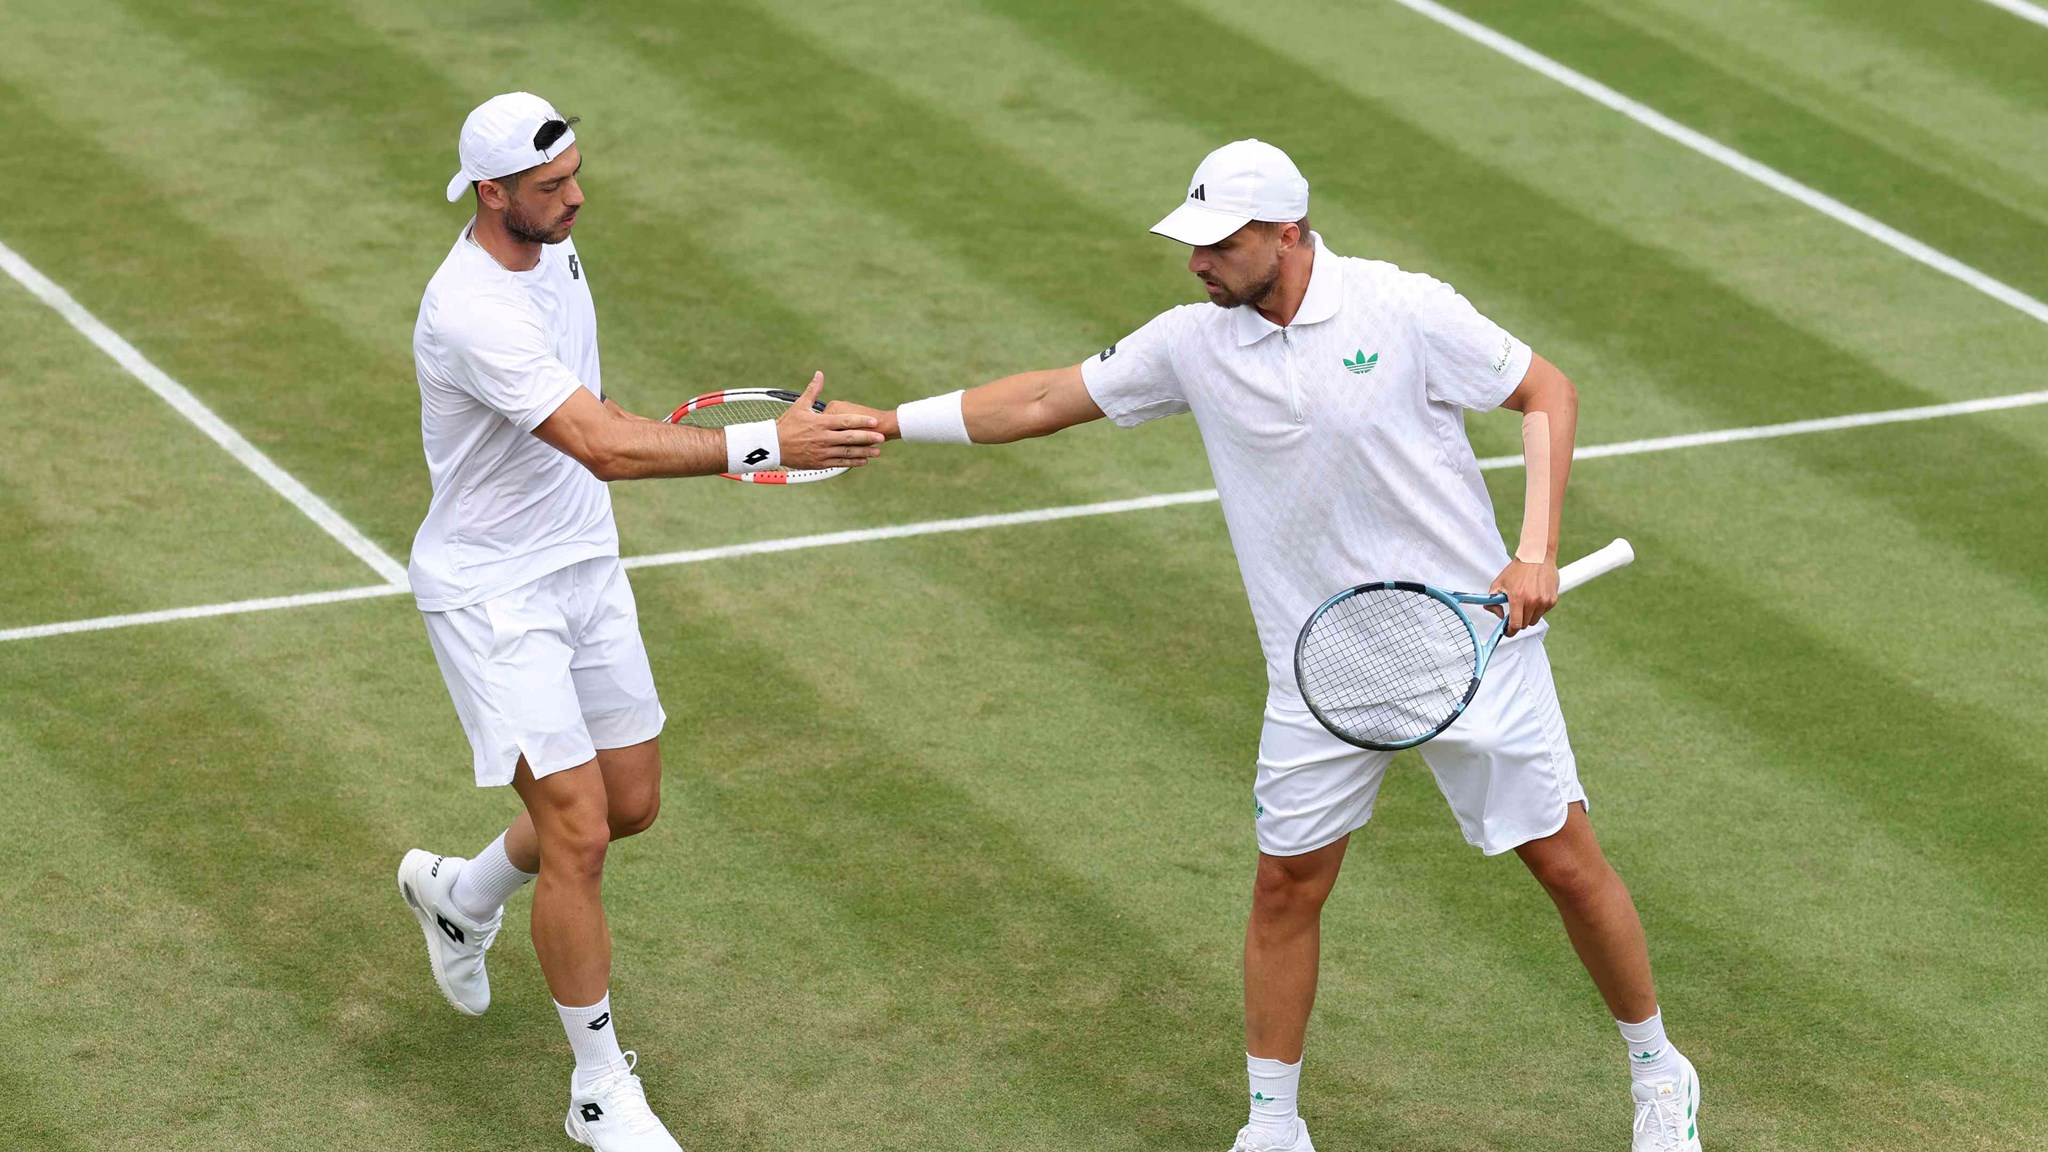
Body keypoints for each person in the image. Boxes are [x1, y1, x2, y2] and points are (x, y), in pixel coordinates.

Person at [831, 139, 1700, 1152]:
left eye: (1221, 244)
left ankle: (1657, 1070)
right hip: (1317, 677)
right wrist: (887, 421)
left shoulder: (1403, 307)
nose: (1197, 263)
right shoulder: (1191, 343)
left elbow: (1547, 392)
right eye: (1192, 243)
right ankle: (1273, 1127)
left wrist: (1534, 551)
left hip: (1467, 656)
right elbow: (1039, 400)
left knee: (1565, 867)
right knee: (1285, 888)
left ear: (1287, 234)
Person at [396, 92, 882, 1152]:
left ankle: (460, 895)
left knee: (628, 803)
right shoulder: (471, 309)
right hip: (494, 593)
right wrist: (769, 444)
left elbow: (594, 416)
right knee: (576, 831)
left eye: (575, 173)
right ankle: (598, 1089)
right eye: (550, 186)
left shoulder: (554, 245)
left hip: (584, 562)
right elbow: (604, 446)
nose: (576, 198)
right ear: (492, 195)